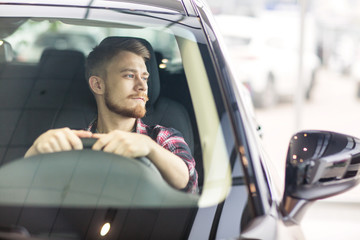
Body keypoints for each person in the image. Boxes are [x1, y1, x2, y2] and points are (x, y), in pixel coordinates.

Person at [24, 37, 198, 193]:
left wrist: (149, 148)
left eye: (144, 78)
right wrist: (36, 151)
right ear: (98, 85)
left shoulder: (162, 137)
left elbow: (188, 181)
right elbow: (28, 189)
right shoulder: (73, 142)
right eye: (129, 75)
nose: (142, 86)